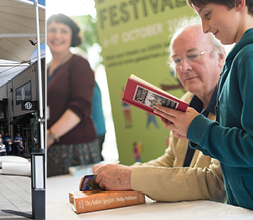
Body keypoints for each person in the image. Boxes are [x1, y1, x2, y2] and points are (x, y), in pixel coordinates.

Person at [154, 0, 253, 219]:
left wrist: (197, 127)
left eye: (207, 14)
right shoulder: (248, 54)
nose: (205, 27)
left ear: (239, 3)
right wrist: (192, 131)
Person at [94, 21, 226, 203]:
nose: (184, 68)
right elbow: (172, 160)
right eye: (177, 60)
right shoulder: (187, 101)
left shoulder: (231, 104)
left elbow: (215, 184)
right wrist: (124, 173)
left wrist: (130, 177)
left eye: (193, 56)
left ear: (220, 56)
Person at [45, 13, 100, 177]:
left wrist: (50, 135)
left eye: (63, 31)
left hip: (76, 149)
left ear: (72, 36)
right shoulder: (43, 68)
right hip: (50, 149)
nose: (57, 36)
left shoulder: (79, 64)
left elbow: (81, 106)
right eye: (52, 30)